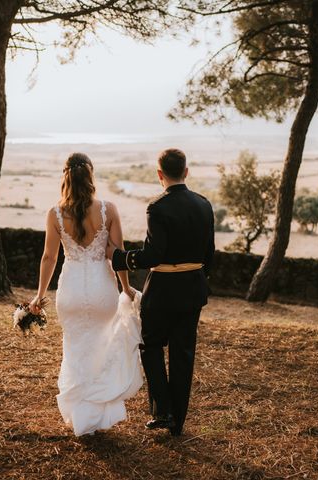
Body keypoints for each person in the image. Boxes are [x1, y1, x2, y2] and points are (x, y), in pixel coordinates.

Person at [29, 152, 143, 437]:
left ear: (65, 176)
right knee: (101, 349)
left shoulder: (54, 214)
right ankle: (97, 415)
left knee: (76, 350)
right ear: (91, 175)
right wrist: (126, 288)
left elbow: (48, 257)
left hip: (70, 292)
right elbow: (117, 257)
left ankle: (81, 417)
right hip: (102, 291)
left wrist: (39, 295)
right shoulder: (108, 210)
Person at [106, 148, 214, 437]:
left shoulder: (157, 208)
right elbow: (209, 254)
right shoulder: (204, 205)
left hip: (163, 290)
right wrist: (198, 279)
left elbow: (153, 256)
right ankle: (177, 421)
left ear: (159, 174)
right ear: (186, 172)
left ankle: (162, 410)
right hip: (193, 288)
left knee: (151, 344)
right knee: (183, 353)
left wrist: (121, 258)